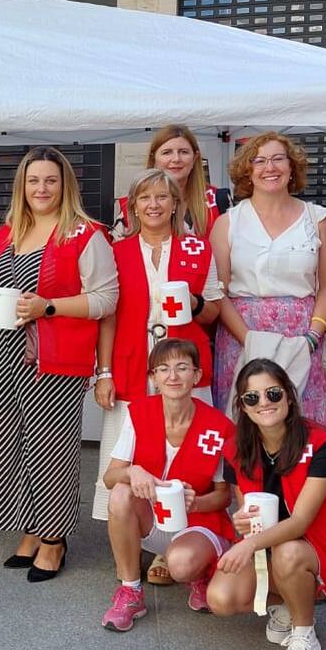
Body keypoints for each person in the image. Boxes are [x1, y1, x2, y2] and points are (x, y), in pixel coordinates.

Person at [0, 147, 118, 581]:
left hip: (52, 362)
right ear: (22, 186)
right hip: (2, 359)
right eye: (34, 180)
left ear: (65, 184)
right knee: (7, 448)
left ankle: (54, 540)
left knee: (50, 451)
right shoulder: (8, 232)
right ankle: (30, 529)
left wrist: (49, 307)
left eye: (51, 180)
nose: (42, 188)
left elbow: (107, 299)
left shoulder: (85, 235)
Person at [93, 169, 223, 584]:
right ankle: (136, 538)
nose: (153, 204)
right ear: (132, 206)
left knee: (185, 450)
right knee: (129, 453)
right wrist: (104, 371)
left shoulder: (197, 248)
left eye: (162, 197)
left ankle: (179, 538)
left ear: (175, 204)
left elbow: (214, 311)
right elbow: (107, 316)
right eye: (145, 197)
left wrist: (195, 302)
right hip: (132, 359)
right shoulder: (116, 251)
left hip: (182, 362)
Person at [208, 359, 326, 650]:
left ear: (289, 396)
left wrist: (248, 544)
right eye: (252, 398)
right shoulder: (237, 449)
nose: (264, 403)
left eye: (273, 393)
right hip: (269, 547)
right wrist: (243, 523)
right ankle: (289, 604)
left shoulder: (323, 445)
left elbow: (300, 522)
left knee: (288, 552)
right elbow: (247, 512)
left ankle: (305, 634)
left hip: (320, 549)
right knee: (221, 598)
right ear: (243, 407)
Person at [100, 339, 235, 631]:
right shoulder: (138, 413)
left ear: (196, 375)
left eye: (182, 367)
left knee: (180, 566)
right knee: (120, 493)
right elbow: (109, 478)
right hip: (152, 517)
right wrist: (132, 471)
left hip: (198, 521)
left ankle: (200, 574)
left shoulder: (219, 426)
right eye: (163, 369)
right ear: (153, 378)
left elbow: (224, 497)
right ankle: (131, 592)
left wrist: (196, 503)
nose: (172, 376)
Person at [209, 132, 326, 423]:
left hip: (301, 337)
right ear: (248, 171)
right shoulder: (227, 223)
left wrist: (312, 338)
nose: (270, 167)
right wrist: (250, 340)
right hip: (242, 336)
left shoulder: (317, 219)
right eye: (259, 161)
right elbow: (218, 291)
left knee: (302, 424)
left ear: (292, 167)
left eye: (278, 159)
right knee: (249, 422)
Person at [115, 125, 228, 238]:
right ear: (153, 158)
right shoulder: (131, 206)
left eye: (183, 152)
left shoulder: (219, 200)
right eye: (167, 152)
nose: (176, 159)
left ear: (195, 158)